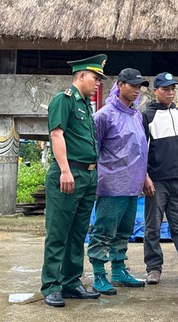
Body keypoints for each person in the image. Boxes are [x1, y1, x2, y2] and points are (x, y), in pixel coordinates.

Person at [40, 54, 107, 308]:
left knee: (79, 233)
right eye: (95, 77)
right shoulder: (64, 100)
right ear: (81, 76)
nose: (98, 83)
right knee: (58, 232)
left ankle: (71, 282)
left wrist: (93, 175)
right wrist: (65, 170)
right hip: (69, 174)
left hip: (88, 175)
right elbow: (57, 135)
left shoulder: (85, 105)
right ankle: (51, 285)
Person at [87, 68, 149, 294]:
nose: (136, 90)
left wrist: (145, 177)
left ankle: (119, 270)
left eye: (139, 86)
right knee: (103, 231)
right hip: (112, 184)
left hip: (133, 185)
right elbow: (93, 149)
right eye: (132, 85)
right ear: (120, 85)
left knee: (124, 231)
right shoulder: (104, 115)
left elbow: (141, 150)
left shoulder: (137, 115)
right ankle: (98, 274)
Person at [142, 72, 178, 285]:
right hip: (157, 181)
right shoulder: (147, 116)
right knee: (152, 226)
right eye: (165, 89)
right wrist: (145, 176)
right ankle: (154, 268)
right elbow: (140, 149)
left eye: (173, 88)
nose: (170, 93)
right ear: (156, 91)